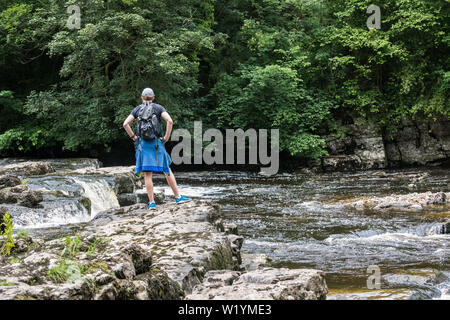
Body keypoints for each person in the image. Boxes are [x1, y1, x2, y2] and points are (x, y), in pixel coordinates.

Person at [122, 88, 191, 209]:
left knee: (147, 174)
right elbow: (170, 121)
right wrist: (166, 137)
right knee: (167, 170)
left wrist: (133, 137)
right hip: (157, 143)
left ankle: (152, 203)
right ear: (153, 98)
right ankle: (178, 197)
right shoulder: (158, 108)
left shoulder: (137, 109)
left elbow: (125, 124)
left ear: (142, 97)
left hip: (143, 144)